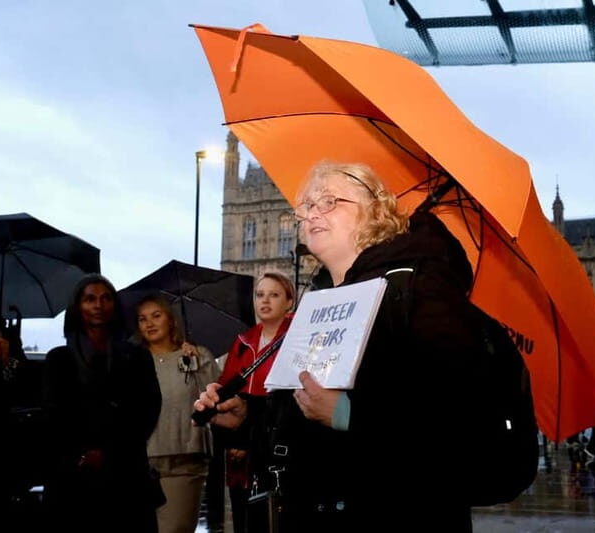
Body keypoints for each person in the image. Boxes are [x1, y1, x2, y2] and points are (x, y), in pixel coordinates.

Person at [195, 161, 476, 532]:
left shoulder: (421, 295)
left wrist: (348, 416)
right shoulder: (325, 300)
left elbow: (463, 433)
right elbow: (305, 419)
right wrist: (248, 420)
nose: (311, 213)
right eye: (306, 205)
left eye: (329, 202)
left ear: (375, 211)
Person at [44, 274, 162, 533]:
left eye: (106, 298)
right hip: (73, 479)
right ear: (78, 307)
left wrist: (109, 452)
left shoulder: (136, 357)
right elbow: (54, 417)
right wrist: (82, 454)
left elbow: (147, 410)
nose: (98, 304)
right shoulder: (58, 360)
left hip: (126, 475)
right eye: (90, 299)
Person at [135, 293, 221, 533]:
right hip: (141, 462)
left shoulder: (197, 355)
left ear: (171, 320)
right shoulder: (132, 361)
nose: (149, 323)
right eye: (142, 319)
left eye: (156, 316)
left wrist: (197, 362)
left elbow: (217, 397)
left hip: (185, 459)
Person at [217, 272, 295, 533]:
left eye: (274, 295)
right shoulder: (242, 341)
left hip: (279, 443)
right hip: (241, 447)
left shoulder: (296, 337)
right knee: (243, 515)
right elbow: (226, 392)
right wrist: (235, 439)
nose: (265, 301)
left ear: (289, 302)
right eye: (260, 295)